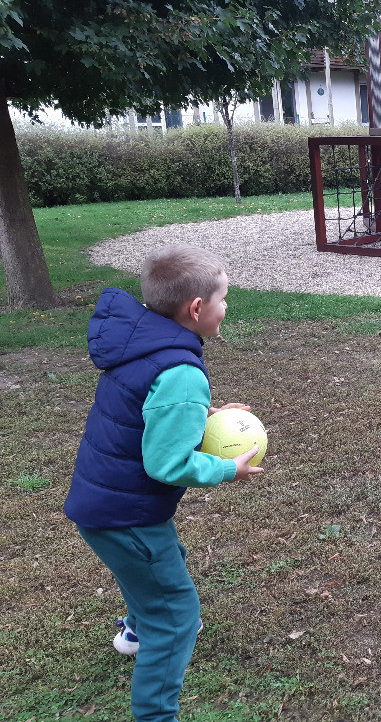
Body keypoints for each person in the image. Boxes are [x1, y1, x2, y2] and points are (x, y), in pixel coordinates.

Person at [64, 244, 264, 722]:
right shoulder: (180, 371)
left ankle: (135, 631)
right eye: (223, 298)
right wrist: (227, 469)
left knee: (163, 560)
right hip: (126, 513)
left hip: (103, 500)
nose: (226, 306)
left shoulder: (143, 342)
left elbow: (146, 410)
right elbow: (166, 464)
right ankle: (156, 712)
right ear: (196, 309)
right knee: (176, 615)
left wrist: (203, 415)